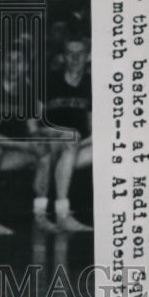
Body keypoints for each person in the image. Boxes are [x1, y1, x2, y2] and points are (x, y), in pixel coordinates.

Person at [0, 47, 61, 236]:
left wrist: (43, 139)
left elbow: (32, 130)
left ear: (26, 66)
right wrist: (24, 145)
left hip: (9, 151)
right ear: (1, 63)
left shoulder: (28, 90)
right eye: (9, 60)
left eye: (19, 62)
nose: (13, 66)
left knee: (45, 151)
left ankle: (40, 216)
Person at [42, 35, 93, 232]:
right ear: (63, 57)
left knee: (108, 147)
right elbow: (36, 125)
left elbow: (94, 131)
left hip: (77, 146)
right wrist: (61, 134)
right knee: (70, 138)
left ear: (88, 56)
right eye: (69, 53)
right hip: (50, 142)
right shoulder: (49, 81)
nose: (75, 58)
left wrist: (75, 144)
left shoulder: (93, 84)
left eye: (80, 53)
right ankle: (63, 213)